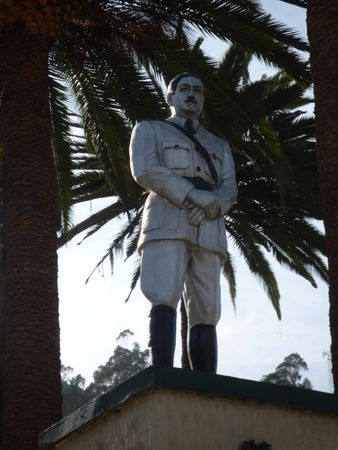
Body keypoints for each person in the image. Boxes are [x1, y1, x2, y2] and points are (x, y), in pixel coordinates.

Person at [129, 73, 237, 373]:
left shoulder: (219, 144)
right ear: (171, 96)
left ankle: (206, 382)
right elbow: (145, 169)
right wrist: (191, 195)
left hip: (209, 226)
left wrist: (211, 205)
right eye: (185, 89)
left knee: (206, 308)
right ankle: (161, 374)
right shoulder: (149, 129)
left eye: (198, 91)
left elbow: (230, 189)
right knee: (163, 293)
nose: (192, 95)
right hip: (167, 217)